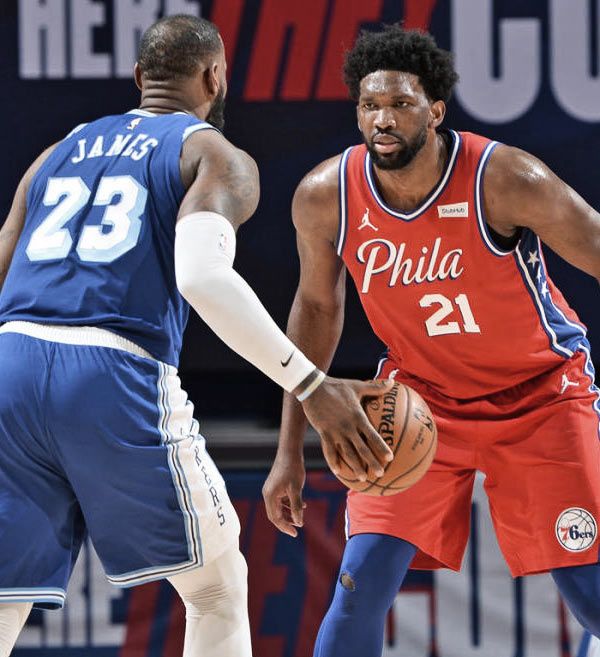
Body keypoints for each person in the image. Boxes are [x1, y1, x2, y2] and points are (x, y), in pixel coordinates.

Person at [0, 14, 395, 657]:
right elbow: (202, 278)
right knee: (214, 587)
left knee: (5, 595)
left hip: (10, 362)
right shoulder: (212, 154)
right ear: (215, 78)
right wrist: (310, 383)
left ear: (139, 77)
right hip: (110, 366)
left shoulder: (58, 151)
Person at [262, 24, 600, 657]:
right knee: (359, 586)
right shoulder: (325, 196)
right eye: (370, 105)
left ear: (436, 111)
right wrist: (289, 450)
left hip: (542, 397)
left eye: (400, 103)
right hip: (421, 403)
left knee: (589, 591)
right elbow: (316, 309)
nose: (383, 119)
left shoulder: (506, 178)